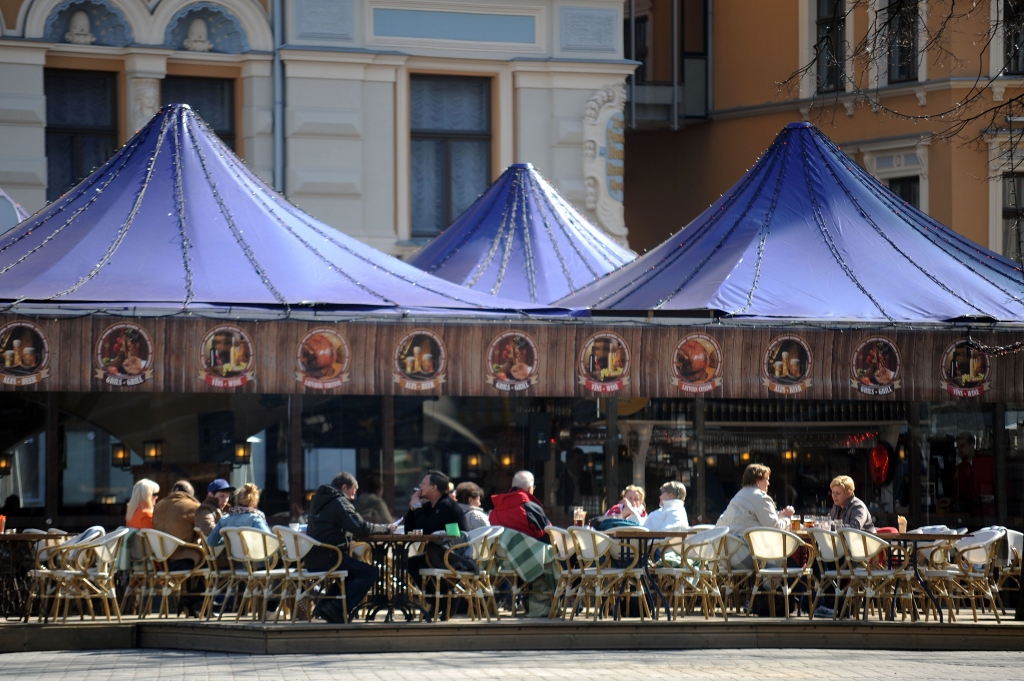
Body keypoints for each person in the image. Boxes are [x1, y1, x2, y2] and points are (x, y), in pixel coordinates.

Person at [306, 472, 392, 624]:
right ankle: (336, 608)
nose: (353, 498)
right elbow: (360, 528)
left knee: (351, 571)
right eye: (352, 493)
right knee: (370, 572)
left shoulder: (319, 500)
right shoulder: (339, 502)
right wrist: (386, 529)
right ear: (344, 487)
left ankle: (324, 606)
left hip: (313, 557)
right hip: (331, 557)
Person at [403, 470, 467, 602]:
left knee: (418, 564)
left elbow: (425, 530)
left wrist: (417, 505)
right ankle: (436, 601)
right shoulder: (429, 506)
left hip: (455, 555)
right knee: (410, 563)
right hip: (438, 552)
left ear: (434, 487)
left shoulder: (446, 506)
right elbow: (409, 529)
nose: (420, 486)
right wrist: (412, 507)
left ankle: (444, 599)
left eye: (423, 483)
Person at [715, 463, 794, 535]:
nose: (768, 483)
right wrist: (786, 518)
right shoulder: (760, 497)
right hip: (747, 548)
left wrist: (779, 515)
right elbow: (774, 528)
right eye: (766, 479)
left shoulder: (739, 495)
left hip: (728, 547)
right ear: (758, 481)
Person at [489, 470, 551, 541]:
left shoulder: (496, 508)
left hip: (501, 551)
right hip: (528, 551)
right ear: (530, 489)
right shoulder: (531, 509)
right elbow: (548, 535)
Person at [152, 480, 202, 566]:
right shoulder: (195, 506)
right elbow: (203, 532)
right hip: (183, 559)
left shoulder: (157, 506)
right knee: (209, 561)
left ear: (176, 490)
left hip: (159, 562)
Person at [207, 483, 271, 548]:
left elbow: (211, 542)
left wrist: (231, 540)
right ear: (254, 503)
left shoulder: (224, 519)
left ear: (236, 500)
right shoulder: (255, 519)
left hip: (234, 557)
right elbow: (269, 540)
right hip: (254, 557)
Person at [953, 433, 995, 517]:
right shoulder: (960, 469)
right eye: (958, 447)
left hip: (990, 511)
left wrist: (993, 498)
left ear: (971, 445)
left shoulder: (987, 462)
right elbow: (956, 493)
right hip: (969, 514)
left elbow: (1004, 487)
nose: (960, 450)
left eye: (962, 446)